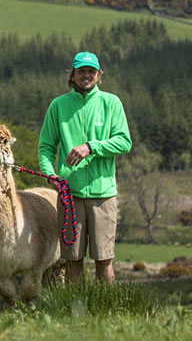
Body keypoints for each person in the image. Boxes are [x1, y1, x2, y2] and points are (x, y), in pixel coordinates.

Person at [39, 51, 132, 284]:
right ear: (73, 75)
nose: (86, 75)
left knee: (104, 259)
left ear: (99, 75)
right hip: (70, 196)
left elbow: (124, 142)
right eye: (81, 71)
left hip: (104, 195)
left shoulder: (111, 103)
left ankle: (105, 311)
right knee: (73, 260)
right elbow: (46, 148)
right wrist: (51, 175)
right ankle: (75, 311)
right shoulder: (59, 106)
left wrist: (92, 147)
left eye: (91, 71)